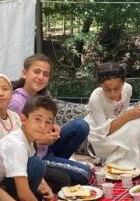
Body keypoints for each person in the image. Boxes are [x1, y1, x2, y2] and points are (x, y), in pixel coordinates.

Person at [8, 54, 91, 187]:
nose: (40, 77)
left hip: (47, 148)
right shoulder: (16, 103)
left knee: (81, 126)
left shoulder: (42, 95)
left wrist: (53, 126)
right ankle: (56, 171)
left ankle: (59, 167)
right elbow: (12, 140)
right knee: (84, 173)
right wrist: (40, 140)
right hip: (35, 156)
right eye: (36, 72)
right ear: (25, 73)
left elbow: (45, 121)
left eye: (45, 74)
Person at [0, 95, 64, 201]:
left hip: (4, 185)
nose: (43, 126)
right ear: (23, 119)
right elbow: (24, 193)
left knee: (37, 165)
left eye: (48, 122)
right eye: (37, 119)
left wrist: (44, 185)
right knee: (37, 164)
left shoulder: (29, 141)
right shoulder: (16, 144)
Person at [85, 62, 140, 169]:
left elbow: (121, 111)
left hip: (119, 124)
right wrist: (128, 116)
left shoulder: (128, 89)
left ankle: (137, 163)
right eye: (108, 90)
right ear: (100, 85)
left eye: (117, 89)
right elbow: (104, 131)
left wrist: (139, 110)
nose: (113, 94)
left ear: (123, 83)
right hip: (101, 136)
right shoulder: (96, 98)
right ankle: (117, 162)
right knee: (133, 129)